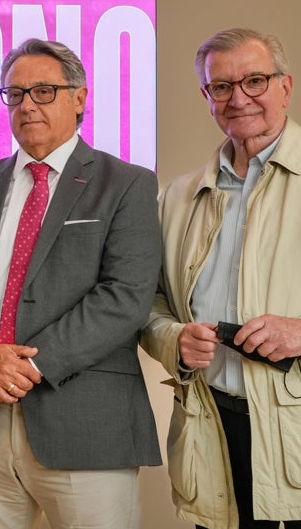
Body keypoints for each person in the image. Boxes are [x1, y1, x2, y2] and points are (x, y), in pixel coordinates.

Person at [0, 37, 162, 529]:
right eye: (16, 94)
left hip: (85, 426)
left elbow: (125, 297)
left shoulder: (127, 184)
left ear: (80, 98)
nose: (28, 104)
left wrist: (14, 373)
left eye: (44, 91)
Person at [141, 27, 301, 529]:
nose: (239, 98)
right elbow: (147, 303)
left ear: (285, 86)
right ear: (206, 98)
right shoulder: (177, 197)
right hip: (210, 427)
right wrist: (173, 339)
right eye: (222, 87)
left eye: (255, 81)